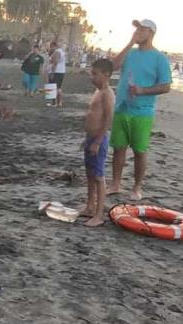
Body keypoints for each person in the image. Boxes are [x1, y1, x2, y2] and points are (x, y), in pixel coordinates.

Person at [108, 19, 171, 201]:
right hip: (122, 107)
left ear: (150, 32)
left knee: (139, 151)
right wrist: (129, 43)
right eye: (137, 29)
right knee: (118, 148)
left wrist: (143, 90)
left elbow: (166, 86)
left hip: (143, 111)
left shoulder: (159, 58)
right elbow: (113, 66)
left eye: (141, 29)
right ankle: (115, 183)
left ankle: (136, 187)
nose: (137, 32)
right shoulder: (131, 53)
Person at [80, 59, 115, 227]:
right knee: (90, 174)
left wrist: (98, 141)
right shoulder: (98, 91)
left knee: (99, 176)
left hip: (98, 140)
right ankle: (90, 206)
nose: (91, 77)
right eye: (91, 73)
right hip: (90, 138)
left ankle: (99, 215)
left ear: (106, 74)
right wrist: (87, 140)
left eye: (95, 74)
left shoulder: (107, 93)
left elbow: (108, 120)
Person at [48, 41, 67, 107]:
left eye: (51, 47)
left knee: (52, 87)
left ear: (54, 46)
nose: (50, 48)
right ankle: (59, 103)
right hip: (61, 71)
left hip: (56, 72)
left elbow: (55, 63)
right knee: (58, 87)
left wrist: (52, 72)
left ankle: (54, 103)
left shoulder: (57, 52)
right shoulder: (61, 51)